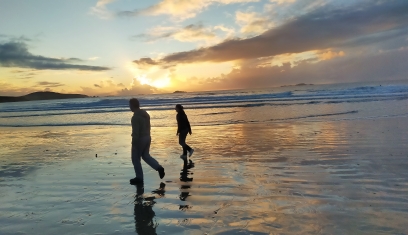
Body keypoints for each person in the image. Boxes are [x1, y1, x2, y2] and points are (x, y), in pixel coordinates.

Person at [129, 98, 165, 185]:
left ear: (133, 105)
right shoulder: (145, 114)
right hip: (147, 137)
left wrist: (134, 143)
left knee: (135, 158)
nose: (129, 107)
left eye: (130, 105)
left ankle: (139, 177)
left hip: (140, 139)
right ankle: (159, 168)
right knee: (145, 155)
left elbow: (136, 132)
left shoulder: (135, 117)